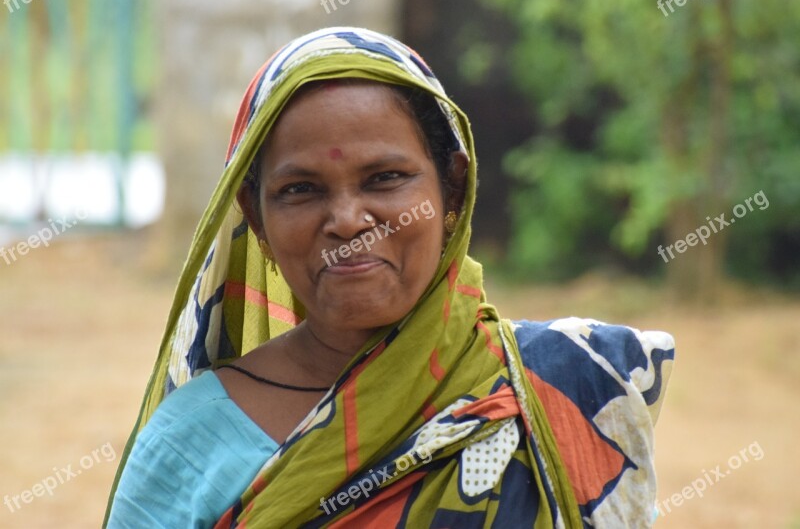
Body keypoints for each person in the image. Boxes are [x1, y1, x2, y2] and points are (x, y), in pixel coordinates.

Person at [105, 27, 675, 528]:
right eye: (300, 189)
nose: (349, 220)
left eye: (384, 178)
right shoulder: (190, 443)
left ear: (451, 187)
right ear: (256, 218)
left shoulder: (559, 387)